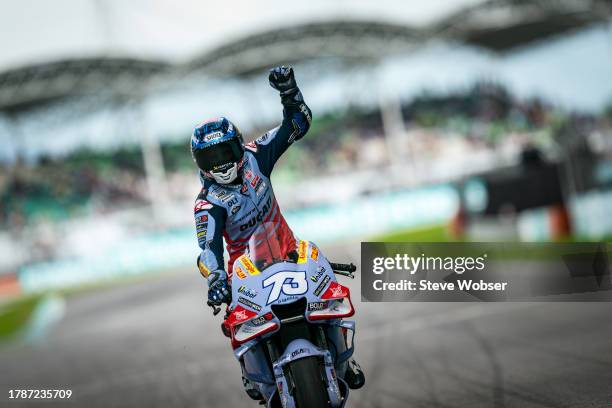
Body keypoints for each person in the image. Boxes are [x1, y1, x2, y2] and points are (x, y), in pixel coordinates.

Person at [191, 66, 364, 399]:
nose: (220, 163)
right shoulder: (207, 203)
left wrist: (289, 92)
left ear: (238, 148)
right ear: (200, 164)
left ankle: (345, 360)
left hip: (290, 254)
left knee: (328, 286)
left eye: (224, 152)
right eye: (210, 158)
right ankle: (253, 371)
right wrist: (215, 278)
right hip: (247, 273)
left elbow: (298, 123)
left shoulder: (258, 155)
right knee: (235, 321)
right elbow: (208, 248)